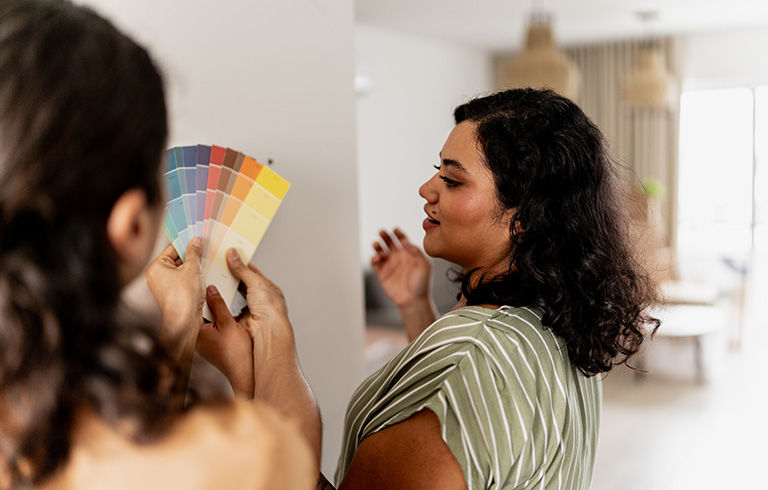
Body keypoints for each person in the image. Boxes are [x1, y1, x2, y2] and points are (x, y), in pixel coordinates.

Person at [213, 87, 659, 490]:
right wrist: (415, 307)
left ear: (524, 218)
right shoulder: (555, 323)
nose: (427, 189)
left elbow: (458, 380)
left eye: (452, 179)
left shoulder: (466, 364)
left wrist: (270, 355)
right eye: (436, 172)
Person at [0, 1, 320, 488]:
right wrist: (277, 346)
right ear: (130, 225)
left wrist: (179, 328)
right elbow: (291, 461)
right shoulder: (238, 458)